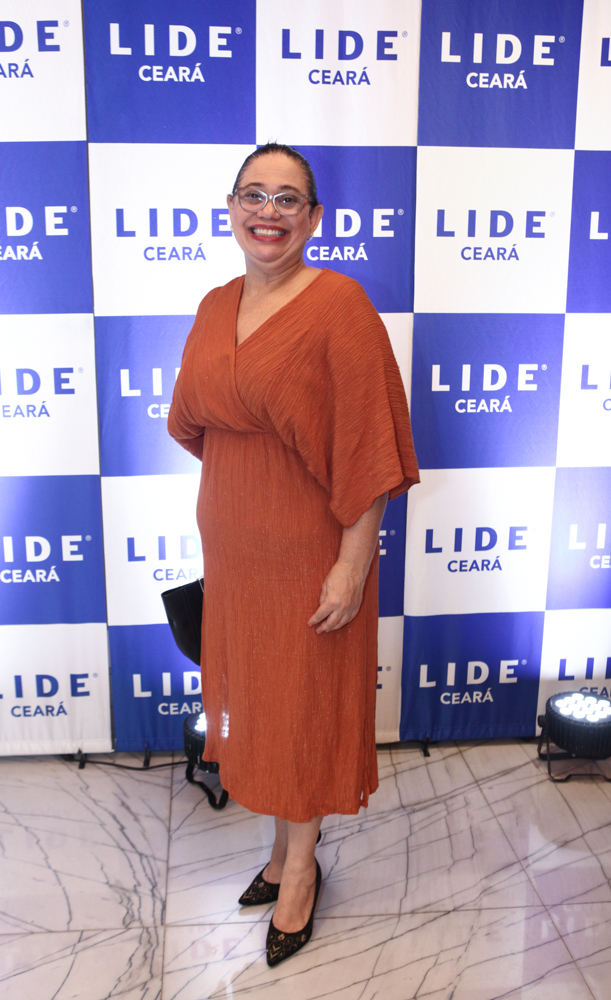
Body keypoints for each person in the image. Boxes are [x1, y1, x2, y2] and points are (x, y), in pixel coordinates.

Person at [168, 143, 418, 966]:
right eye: (254, 194)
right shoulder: (214, 304)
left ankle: (302, 870)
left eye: (287, 199)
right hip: (236, 549)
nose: (267, 212)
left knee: (302, 706)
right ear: (231, 208)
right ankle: (278, 854)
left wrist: (352, 562)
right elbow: (195, 420)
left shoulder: (340, 304)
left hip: (311, 547)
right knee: (262, 705)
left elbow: (371, 447)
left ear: (313, 218)